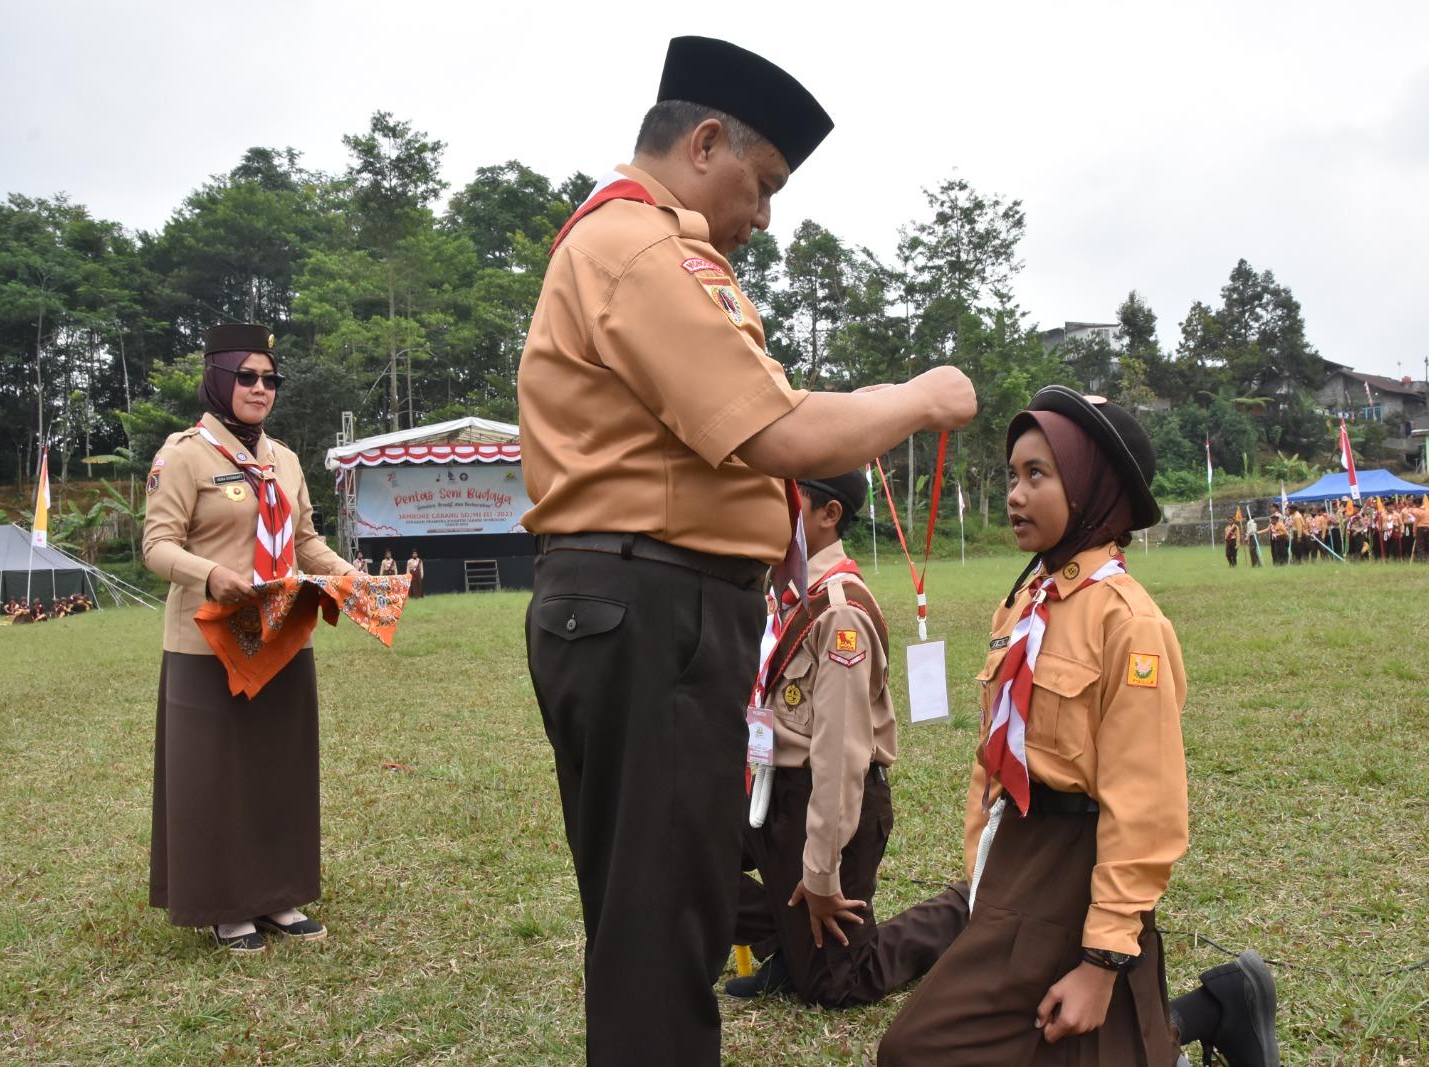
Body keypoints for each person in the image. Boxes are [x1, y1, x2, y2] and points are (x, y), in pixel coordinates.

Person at [516, 36, 977, 1067]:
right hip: (656, 605)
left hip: (631, 600)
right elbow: (780, 433)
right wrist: (922, 397)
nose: (764, 215)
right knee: (663, 925)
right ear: (705, 143)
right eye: (760, 184)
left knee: (657, 908)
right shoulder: (643, 248)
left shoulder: (622, 246)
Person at [878, 387, 1277, 1067]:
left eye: (1039, 474)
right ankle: (1218, 1008)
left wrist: (1099, 960)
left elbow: (1142, 805)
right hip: (1017, 855)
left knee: (917, 1050)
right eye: (1012, 474)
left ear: (1095, 489)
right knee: (1073, 1045)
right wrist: (981, 869)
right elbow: (995, 749)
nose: (1015, 493)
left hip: (1076, 863)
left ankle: (1214, 1008)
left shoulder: (1128, 622)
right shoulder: (1027, 603)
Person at [143, 323, 362, 955]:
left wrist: (355, 579)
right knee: (213, 774)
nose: (260, 388)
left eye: (270, 379)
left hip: (281, 634)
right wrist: (210, 576)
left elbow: (305, 543)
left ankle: (278, 895)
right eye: (247, 376)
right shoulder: (184, 455)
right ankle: (224, 906)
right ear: (217, 379)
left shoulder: (285, 459)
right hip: (206, 641)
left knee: (278, 768)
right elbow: (157, 546)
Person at [727, 470, 969, 1008]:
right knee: (680, 849)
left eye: (785, 500)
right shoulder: (786, 589)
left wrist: (820, 871)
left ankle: (961, 908)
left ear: (829, 514)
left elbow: (840, 757)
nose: (768, 510)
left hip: (822, 803)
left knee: (838, 986)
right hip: (770, 789)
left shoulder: (838, 611)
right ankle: (790, 942)